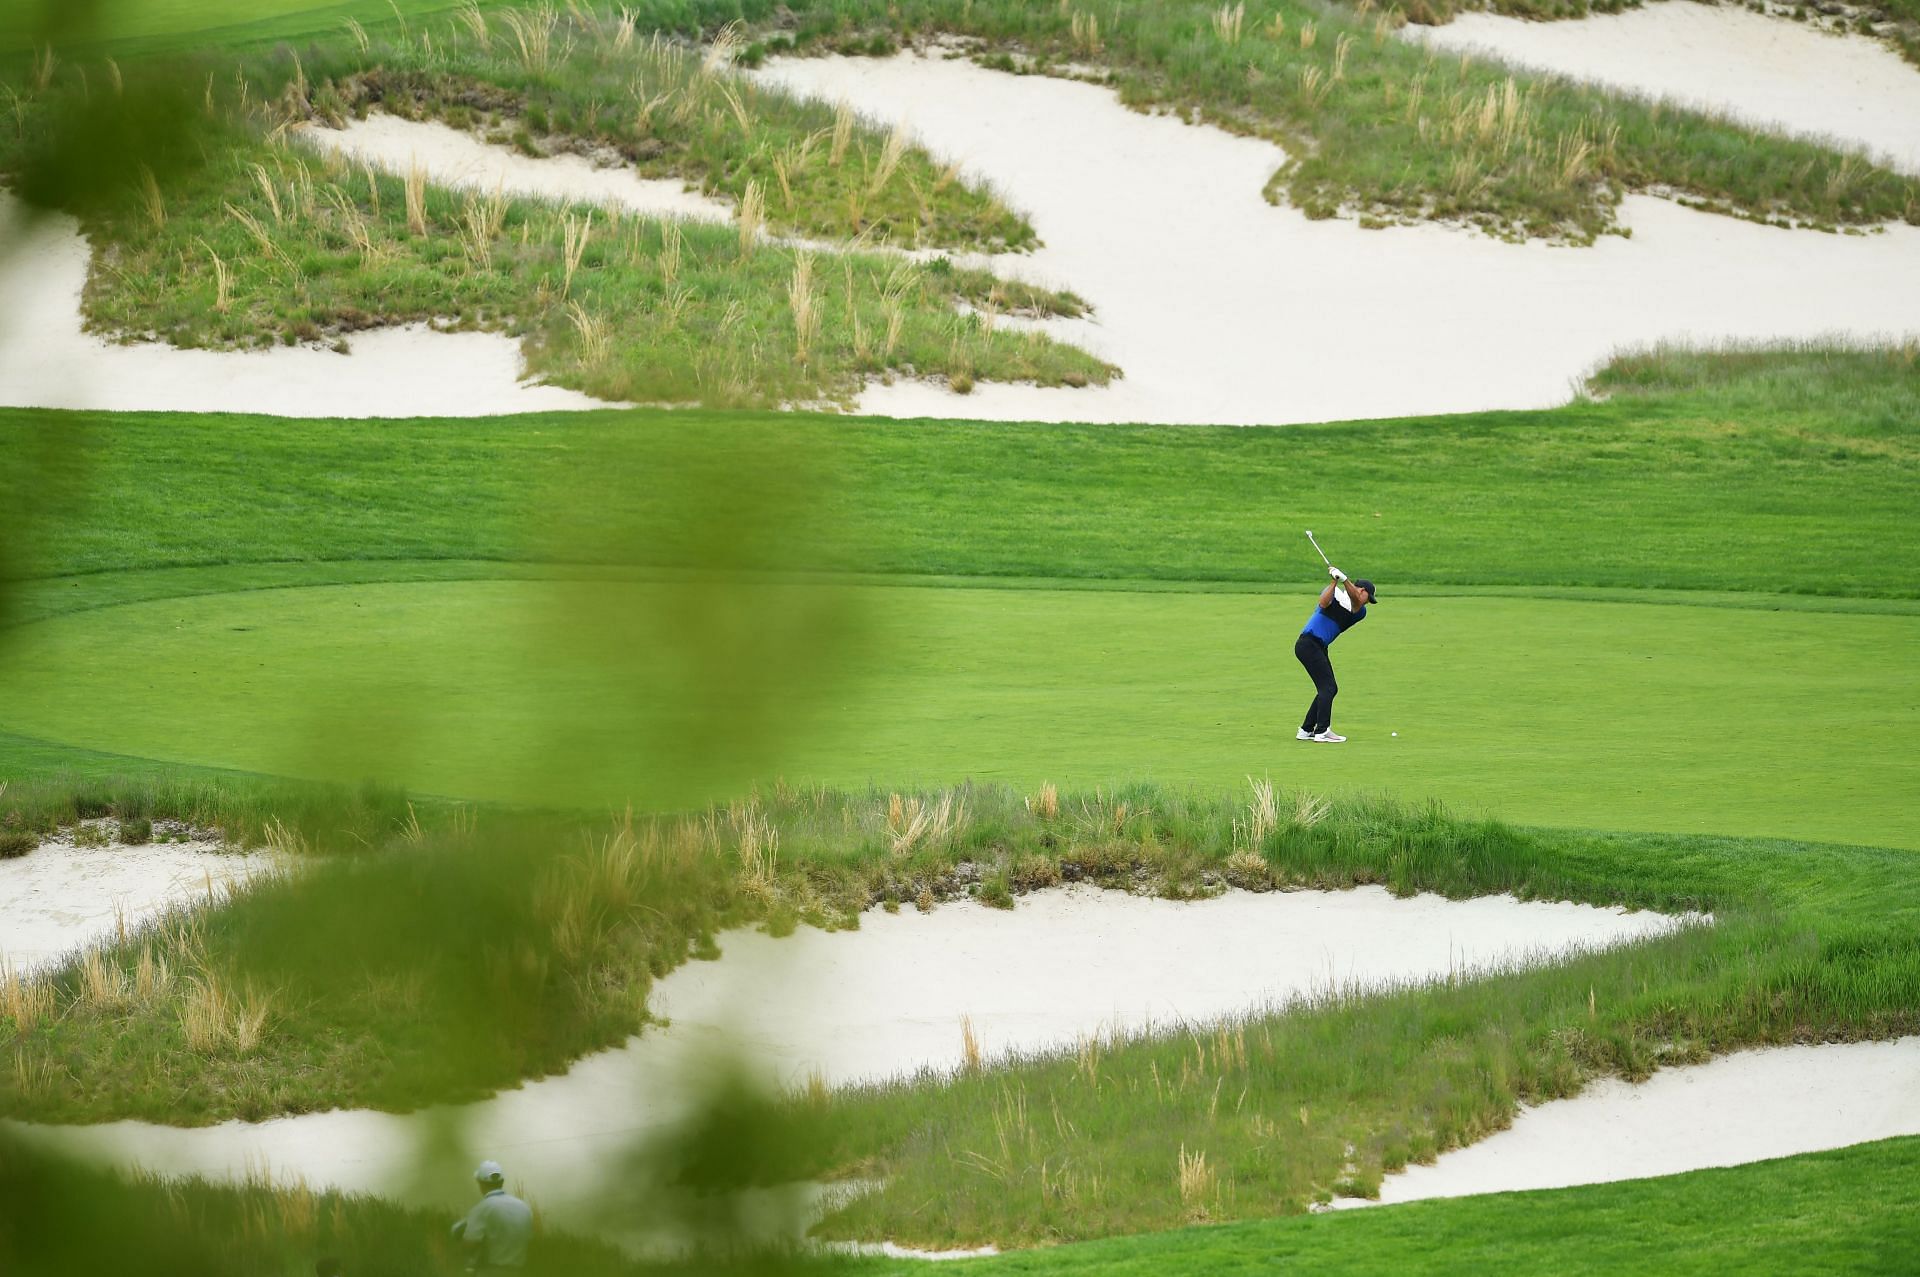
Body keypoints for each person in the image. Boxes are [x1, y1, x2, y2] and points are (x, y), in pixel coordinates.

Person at [1294, 564, 1377, 743]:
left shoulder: (1360, 611)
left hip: (1317, 646)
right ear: (1362, 590)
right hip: (1308, 644)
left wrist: (1344, 579)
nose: (1367, 602)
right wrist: (1334, 581)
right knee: (1328, 688)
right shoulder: (1335, 593)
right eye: (1368, 597)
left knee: (1329, 688)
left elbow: (1354, 602)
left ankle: (1306, 729)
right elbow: (1323, 602)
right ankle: (1322, 731)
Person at [450, 1160, 534, 1272]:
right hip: (520, 1272)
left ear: (480, 1183)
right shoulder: (524, 1207)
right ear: (502, 1181)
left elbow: (470, 1244)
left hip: (491, 1271)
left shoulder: (482, 1209)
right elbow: (530, 1240)